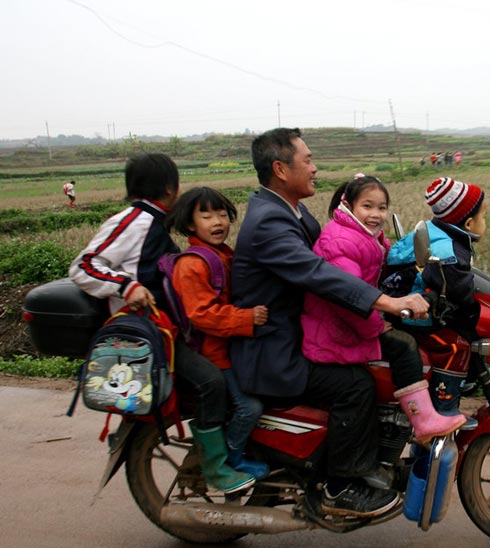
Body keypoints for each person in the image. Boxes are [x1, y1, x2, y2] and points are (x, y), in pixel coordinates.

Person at [230, 128, 429, 519]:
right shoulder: (270, 221)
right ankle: (340, 487)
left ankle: (370, 460)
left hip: (300, 330)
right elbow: (317, 272)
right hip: (275, 348)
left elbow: (344, 256)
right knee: (355, 384)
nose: (315, 167)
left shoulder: (291, 210)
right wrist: (384, 301)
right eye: (307, 160)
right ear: (280, 169)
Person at [69, 153, 254, 495]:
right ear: (171, 186)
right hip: (149, 330)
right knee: (210, 382)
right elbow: (84, 265)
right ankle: (215, 467)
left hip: (168, 330)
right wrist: (127, 286)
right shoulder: (135, 220)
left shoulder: (153, 221)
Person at [301, 174, 466, 446]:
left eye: (381, 207)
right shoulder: (340, 241)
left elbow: (378, 272)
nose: (376, 214)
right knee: (404, 346)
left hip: (355, 319)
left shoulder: (366, 237)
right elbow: (348, 296)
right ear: (348, 205)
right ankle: (423, 420)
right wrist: (377, 325)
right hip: (337, 328)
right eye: (367, 206)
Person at [166, 186, 271, 479]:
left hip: (229, 348)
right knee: (249, 407)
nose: (217, 222)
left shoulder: (223, 254)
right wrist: (246, 318)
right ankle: (228, 460)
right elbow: (202, 314)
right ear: (189, 223)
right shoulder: (192, 263)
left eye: (222, 214)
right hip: (213, 353)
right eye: (206, 215)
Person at [387, 177, 488, 428]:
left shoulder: (437, 231)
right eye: (484, 216)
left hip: (407, 306)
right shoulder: (448, 251)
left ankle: (460, 381)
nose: (486, 222)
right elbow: (459, 292)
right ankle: (444, 408)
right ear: (467, 222)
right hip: (416, 316)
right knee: (456, 347)